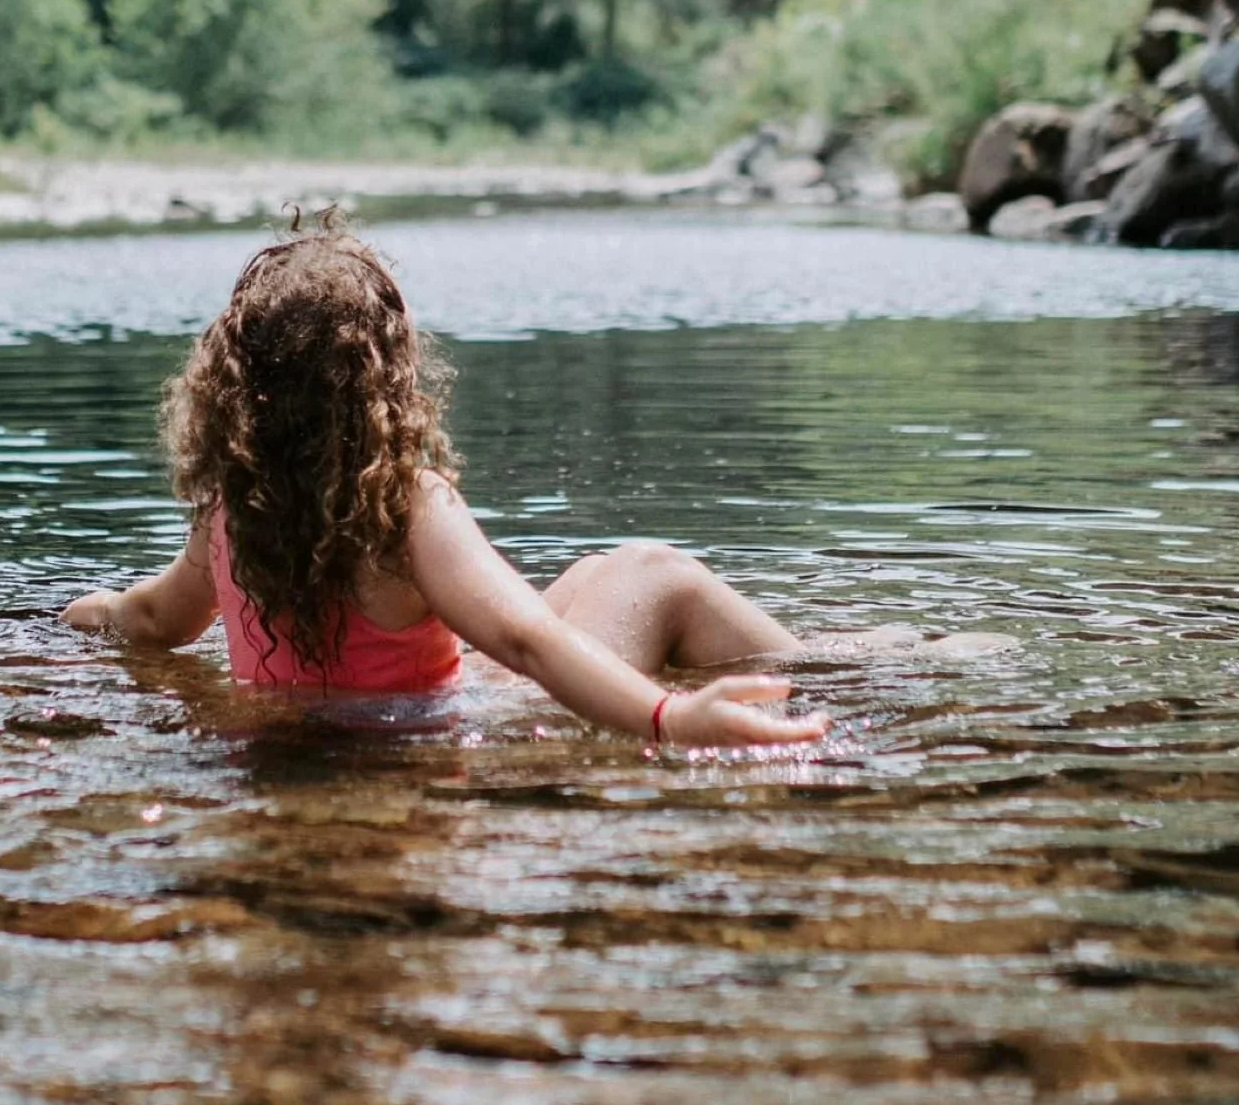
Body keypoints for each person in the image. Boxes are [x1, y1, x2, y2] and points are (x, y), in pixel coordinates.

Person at [62, 225, 830, 751]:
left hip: (368, 725)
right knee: (650, 571)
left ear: (235, 384)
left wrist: (80, 613)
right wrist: (667, 718)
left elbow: (156, 616)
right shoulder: (403, 506)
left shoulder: (235, 506)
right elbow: (527, 641)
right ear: (382, 377)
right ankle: (837, 674)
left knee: (595, 575)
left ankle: (803, 670)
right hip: (444, 734)